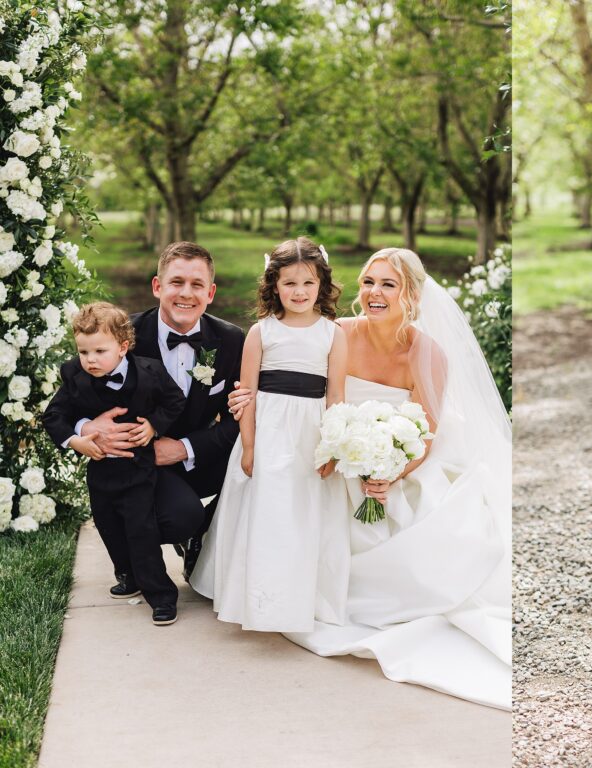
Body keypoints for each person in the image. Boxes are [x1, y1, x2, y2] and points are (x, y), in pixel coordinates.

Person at [227, 247, 512, 710]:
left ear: (412, 296)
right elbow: (293, 387)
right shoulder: (334, 332)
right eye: (369, 283)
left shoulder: (428, 353)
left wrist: (390, 474)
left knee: (399, 518)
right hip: (332, 453)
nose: (375, 293)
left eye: (388, 285)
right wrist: (246, 403)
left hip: (395, 462)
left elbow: (427, 432)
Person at [189, 237, 349, 632]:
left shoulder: (333, 334)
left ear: (322, 285)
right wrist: (248, 445)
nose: (299, 292)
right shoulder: (261, 332)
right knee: (267, 513)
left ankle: (302, 593)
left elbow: (336, 397)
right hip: (269, 432)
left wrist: (332, 447)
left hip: (311, 434)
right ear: (274, 285)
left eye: (308, 283)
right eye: (290, 283)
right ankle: (256, 595)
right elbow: (247, 394)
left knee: (304, 514)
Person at [75, 242, 245, 581]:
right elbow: (72, 396)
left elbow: (237, 421)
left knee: (264, 465)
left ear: (210, 293)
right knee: (180, 516)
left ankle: (207, 537)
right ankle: (138, 557)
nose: (186, 293)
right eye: (176, 282)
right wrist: (85, 428)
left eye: (197, 285)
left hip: (199, 455)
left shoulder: (231, 339)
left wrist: (184, 448)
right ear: (157, 287)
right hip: (140, 463)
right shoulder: (123, 336)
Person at [42, 303, 187, 625]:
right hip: (100, 470)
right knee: (109, 526)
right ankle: (128, 576)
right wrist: (78, 437)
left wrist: (153, 425)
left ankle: (161, 595)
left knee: (141, 530)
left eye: (99, 351)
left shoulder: (150, 372)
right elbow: (54, 415)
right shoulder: (74, 375)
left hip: (138, 468)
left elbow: (175, 400)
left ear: (123, 347)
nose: (90, 360)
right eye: (83, 351)